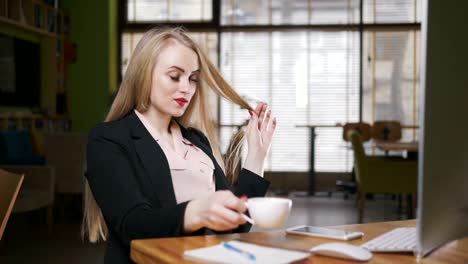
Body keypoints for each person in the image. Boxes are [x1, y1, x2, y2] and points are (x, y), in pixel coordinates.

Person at [82, 27, 277, 264]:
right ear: (143, 74)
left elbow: (235, 224)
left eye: (193, 78)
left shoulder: (197, 141)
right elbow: (132, 224)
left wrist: (257, 153)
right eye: (175, 76)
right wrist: (196, 211)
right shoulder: (108, 140)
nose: (187, 88)